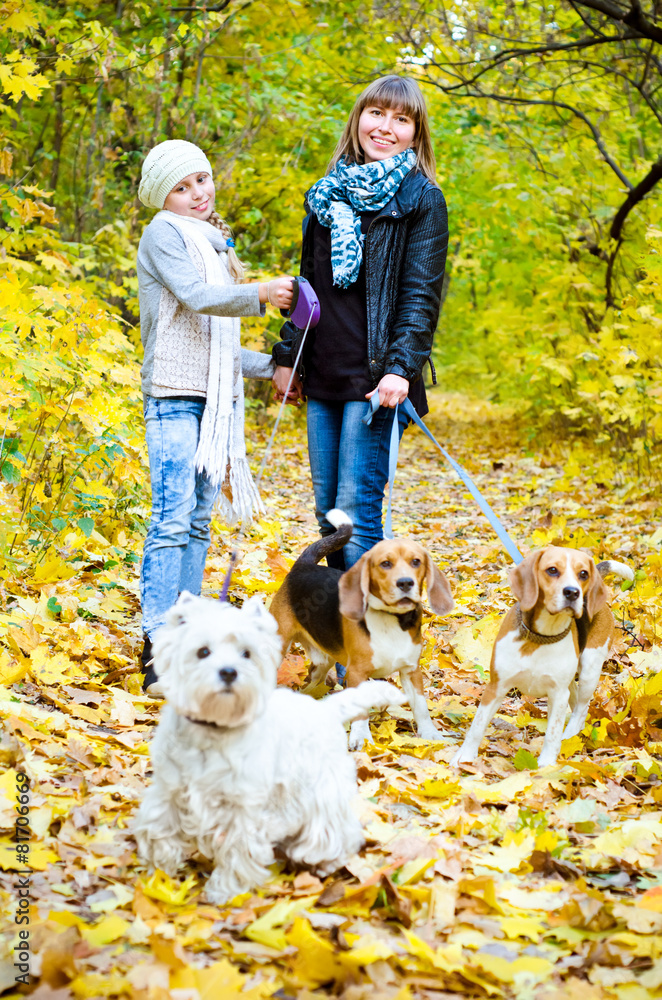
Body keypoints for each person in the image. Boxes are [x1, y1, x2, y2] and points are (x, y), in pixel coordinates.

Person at [272, 75, 448, 571]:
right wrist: (288, 356)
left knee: (358, 518)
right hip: (323, 367)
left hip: (376, 378)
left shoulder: (422, 199)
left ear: (416, 133)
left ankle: (364, 646)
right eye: (376, 113)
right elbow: (308, 287)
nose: (385, 127)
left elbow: (420, 295)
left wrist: (400, 368)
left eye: (401, 119)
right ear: (358, 118)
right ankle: (344, 633)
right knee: (329, 520)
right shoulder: (326, 196)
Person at [136, 139, 293, 690]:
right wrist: (262, 293)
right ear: (165, 199)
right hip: (175, 395)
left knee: (199, 518)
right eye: (181, 188)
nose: (197, 193)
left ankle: (193, 633)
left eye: (201, 179)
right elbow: (197, 297)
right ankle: (158, 643)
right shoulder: (163, 235)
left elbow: (216, 346)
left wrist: (272, 366)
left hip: (216, 402)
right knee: (172, 515)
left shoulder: (218, 243)